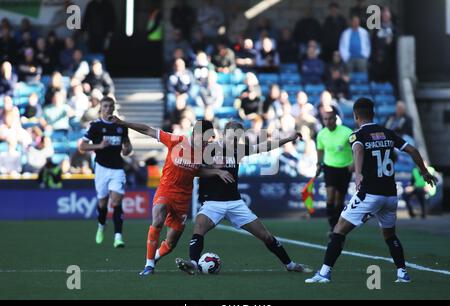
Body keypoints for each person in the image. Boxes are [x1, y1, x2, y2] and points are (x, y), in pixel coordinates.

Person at [305, 98, 437, 284]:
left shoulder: (357, 135)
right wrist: (424, 173)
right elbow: (414, 150)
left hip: (370, 193)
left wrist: (358, 174)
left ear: (356, 116)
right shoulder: (388, 133)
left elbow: (358, 151)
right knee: (390, 235)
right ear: (373, 113)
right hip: (391, 195)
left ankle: (324, 273)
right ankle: (402, 273)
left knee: (339, 229)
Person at [176, 121, 312, 274]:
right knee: (199, 227)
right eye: (232, 136)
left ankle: (290, 265)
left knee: (265, 235)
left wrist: (287, 139)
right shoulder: (208, 149)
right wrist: (214, 169)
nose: (235, 139)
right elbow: (193, 168)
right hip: (212, 203)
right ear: (224, 133)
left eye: (238, 137)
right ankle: (193, 263)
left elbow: (264, 146)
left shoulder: (238, 150)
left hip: (235, 203)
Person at [106, 116, 234, 276]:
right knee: (158, 217)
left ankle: (155, 258)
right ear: (195, 133)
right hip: (166, 190)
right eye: (205, 138)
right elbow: (147, 129)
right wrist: (123, 123)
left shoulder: (206, 151)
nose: (207, 142)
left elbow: (196, 170)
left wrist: (216, 170)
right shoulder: (176, 141)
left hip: (183, 199)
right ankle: (149, 265)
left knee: (171, 243)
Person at [78, 97, 133, 248]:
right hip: (101, 168)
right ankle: (101, 226)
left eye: (110, 106)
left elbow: (127, 149)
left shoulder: (121, 126)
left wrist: (127, 148)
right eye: (105, 106)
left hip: (117, 169)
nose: (108, 109)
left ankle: (118, 237)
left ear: (114, 108)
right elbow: (82, 147)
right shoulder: (95, 126)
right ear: (101, 108)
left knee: (116, 201)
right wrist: (99, 146)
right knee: (102, 203)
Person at [316, 110, 353, 234]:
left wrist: (354, 162)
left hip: (345, 168)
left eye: (330, 119)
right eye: (325, 119)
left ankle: (338, 224)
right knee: (330, 197)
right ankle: (332, 226)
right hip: (329, 167)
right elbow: (320, 151)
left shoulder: (347, 132)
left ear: (335, 119)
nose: (328, 121)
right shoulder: (321, 134)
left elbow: (357, 148)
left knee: (339, 200)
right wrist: (318, 164)